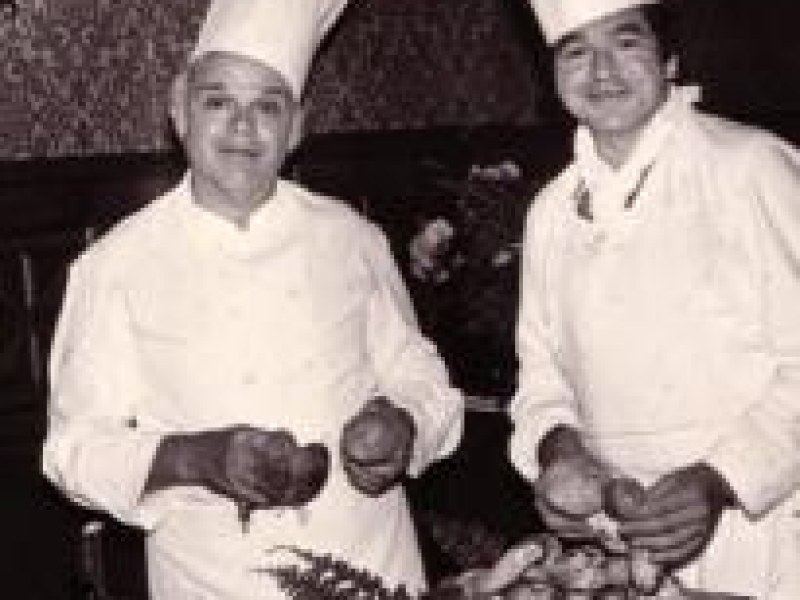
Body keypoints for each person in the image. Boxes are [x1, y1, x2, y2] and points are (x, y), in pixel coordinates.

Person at [41, 1, 464, 598]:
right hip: (214, 578)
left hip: (372, 561)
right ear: (179, 111)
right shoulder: (115, 264)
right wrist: (192, 458)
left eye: (268, 106)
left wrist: (404, 423)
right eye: (218, 102)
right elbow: (73, 450)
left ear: (296, 127)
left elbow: (422, 376)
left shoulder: (353, 238)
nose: (243, 126)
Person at [508, 0, 800, 597]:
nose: (601, 71)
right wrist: (559, 452)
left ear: (669, 60)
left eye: (626, 42)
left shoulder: (751, 168)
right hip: (618, 549)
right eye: (576, 52)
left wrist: (721, 479)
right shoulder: (551, 213)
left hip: (765, 532)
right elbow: (541, 380)